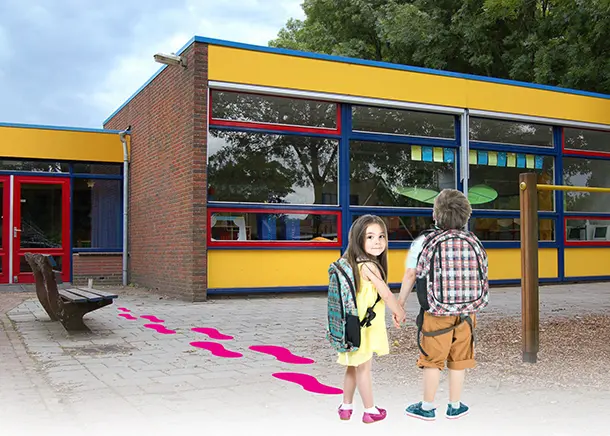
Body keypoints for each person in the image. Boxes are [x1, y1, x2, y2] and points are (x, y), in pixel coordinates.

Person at [396, 189, 487, 421]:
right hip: (468, 310)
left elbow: (410, 275)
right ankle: (455, 406)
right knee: (459, 358)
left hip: (436, 311)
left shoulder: (424, 241)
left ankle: (427, 407)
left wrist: (400, 304)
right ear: (466, 216)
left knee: (432, 360)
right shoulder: (473, 241)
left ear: (435, 215)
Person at [336, 214, 406, 424]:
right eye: (370, 237)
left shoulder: (349, 263)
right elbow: (385, 293)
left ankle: (346, 407)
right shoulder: (369, 265)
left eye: (381, 236)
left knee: (352, 366)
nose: (377, 242)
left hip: (350, 325)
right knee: (364, 368)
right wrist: (399, 311)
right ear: (358, 239)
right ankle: (370, 410)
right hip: (363, 328)